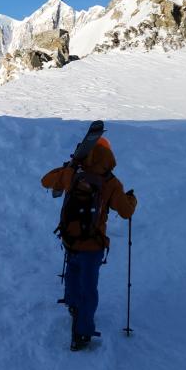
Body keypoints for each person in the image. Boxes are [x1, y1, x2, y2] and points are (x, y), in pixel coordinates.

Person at [41, 136, 137, 351]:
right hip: (93, 244)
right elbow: (125, 211)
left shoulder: (74, 174)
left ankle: (73, 306)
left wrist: (70, 167)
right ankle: (82, 333)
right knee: (89, 286)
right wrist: (132, 199)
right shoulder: (111, 182)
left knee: (74, 273)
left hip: (70, 239)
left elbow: (45, 181)